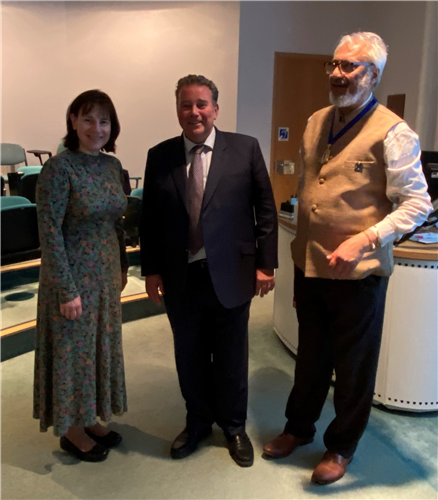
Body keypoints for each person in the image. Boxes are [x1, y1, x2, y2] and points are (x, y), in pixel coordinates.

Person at [263, 32, 433, 484]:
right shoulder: (316, 120)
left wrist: (366, 239)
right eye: (334, 65)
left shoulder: (394, 132)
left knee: (353, 365)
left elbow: (418, 204)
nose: (338, 74)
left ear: (373, 74)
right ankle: (298, 429)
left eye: (350, 67)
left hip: (359, 274)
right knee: (309, 357)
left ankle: (341, 447)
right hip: (311, 265)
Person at [140, 74, 278, 467]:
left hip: (233, 273)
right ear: (178, 110)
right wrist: (151, 271)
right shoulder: (159, 155)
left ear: (215, 109)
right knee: (190, 355)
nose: (194, 112)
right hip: (180, 277)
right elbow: (149, 220)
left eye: (202, 104)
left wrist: (266, 264)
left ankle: (233, 427)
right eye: (186, 104)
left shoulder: (245, 149)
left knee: (232, 356)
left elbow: (265, 209)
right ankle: (198, 421)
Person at [34, 90, 129, 462]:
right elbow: (50, 233)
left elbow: (115, 223)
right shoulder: (58, 169)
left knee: (98, 350)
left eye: (104, 121)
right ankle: (72, 430)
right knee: (74, 353)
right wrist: (66, 290)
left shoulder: (110, 166)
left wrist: (121, 267)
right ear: (73, 120)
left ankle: (89, 417)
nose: (97, 128)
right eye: (88, 119)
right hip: (72, 277)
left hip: (105, 276)